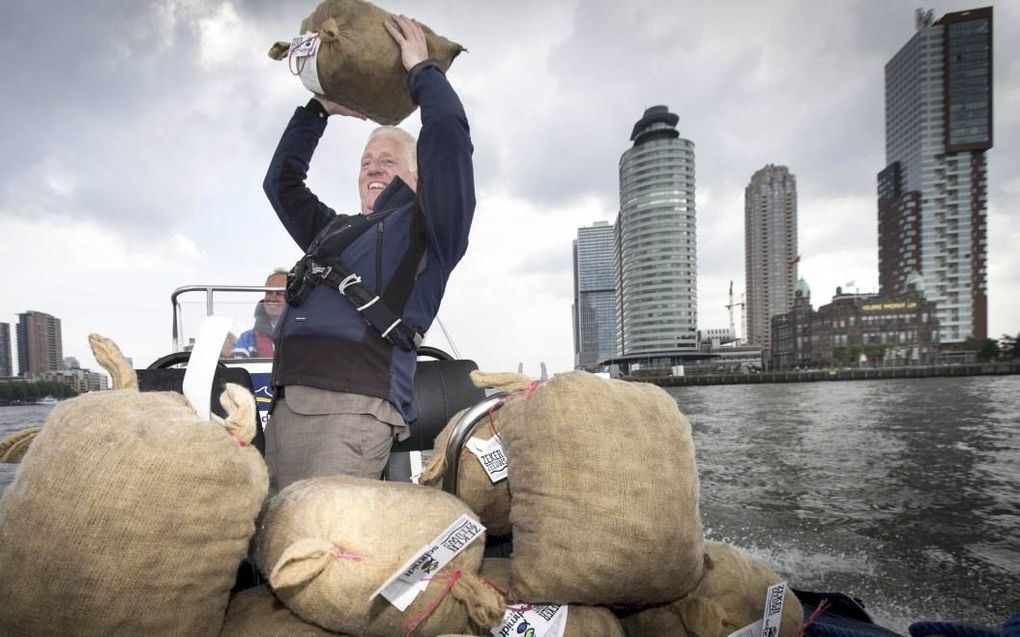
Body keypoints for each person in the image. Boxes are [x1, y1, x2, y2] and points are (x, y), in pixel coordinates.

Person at [262, 14, 475, 491]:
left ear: (419, 176)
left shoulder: (431, 225)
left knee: (325, 545)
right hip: (286, 405)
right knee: (277, 548)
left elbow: (450, 145)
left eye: (389, 160)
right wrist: (318, 110)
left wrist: (423, 73)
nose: (372, 169)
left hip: (354, 410)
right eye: (365, 162)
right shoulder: (332, 230)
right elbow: (281, 184)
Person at [231, 270, 287, 358]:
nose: (272, 298)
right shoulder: (246, 339)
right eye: (268, 292)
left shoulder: (304, 335)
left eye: (280, 293)